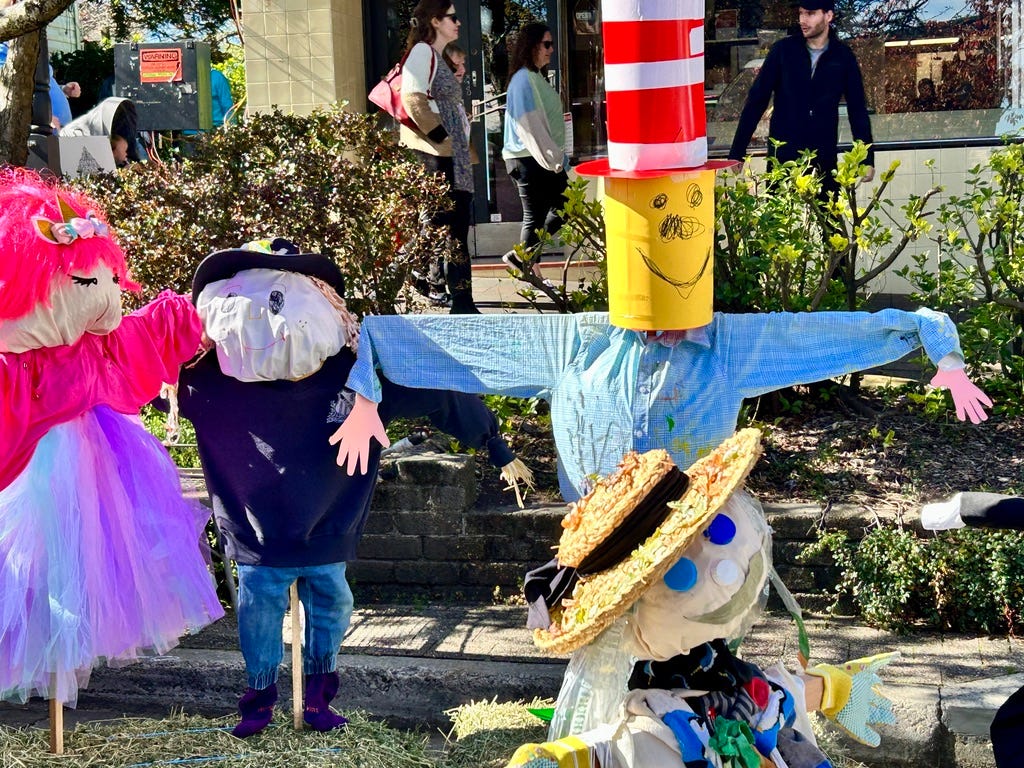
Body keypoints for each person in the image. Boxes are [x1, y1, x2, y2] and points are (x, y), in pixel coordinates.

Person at [173, 239, 526, 736]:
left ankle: (318, 700)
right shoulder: (206, 379)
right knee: (258, 617)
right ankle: (259, 700)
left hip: (328, 529)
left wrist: (492, 441)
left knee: (330, 610)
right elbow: (133, 379)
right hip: (257, 537)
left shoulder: (357, 375)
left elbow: (434, 390)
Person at [332, 309, 990, 502]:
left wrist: (940, 348)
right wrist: (367, 393)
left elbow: (826, 335)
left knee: (687, 650)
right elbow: (437, 340)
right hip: (598, 533)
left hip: (691, 530)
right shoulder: (580, 341)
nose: (664, 329)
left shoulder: (729, 345)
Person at [0, 169, 224, 710]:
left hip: (97, 460)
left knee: (83, 567)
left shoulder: (94, 346)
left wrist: (192, 318)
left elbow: (141, 335)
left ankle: (59, 687)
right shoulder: (16, 363)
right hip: (34, 472)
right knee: (31, 570)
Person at [728, 0, 875, 194]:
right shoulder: (783, 51)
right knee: (779, 211)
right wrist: (737, 150)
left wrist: (866, 158)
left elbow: (857, 110)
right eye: (801, 13)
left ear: (828, 16)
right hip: (784, 160)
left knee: (826, 213)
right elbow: (757, 100)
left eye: (810, 14)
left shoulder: (843, 57)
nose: (803, 20)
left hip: (823, 160)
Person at [400, 1, 479, 314]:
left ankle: (463, 301)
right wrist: (443, 138)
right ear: (434, 20)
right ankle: (398, 278)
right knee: (437, 228)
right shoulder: (422, 52)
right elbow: (412, 99)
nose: (458, 23)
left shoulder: (435, 56)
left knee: (456, 231)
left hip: (452, 157)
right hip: (438, 158)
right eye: (452, 17)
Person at [501, 22, 569, 281]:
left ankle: (530, 268)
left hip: (536, 157)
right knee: (558, 209)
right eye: (546, 44)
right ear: (532, 46)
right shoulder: (523, 80)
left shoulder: (534, 77)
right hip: (530, 158)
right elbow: (529, 126)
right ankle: (523, 259)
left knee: (541, 215)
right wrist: (554, 159)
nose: (551, 50)